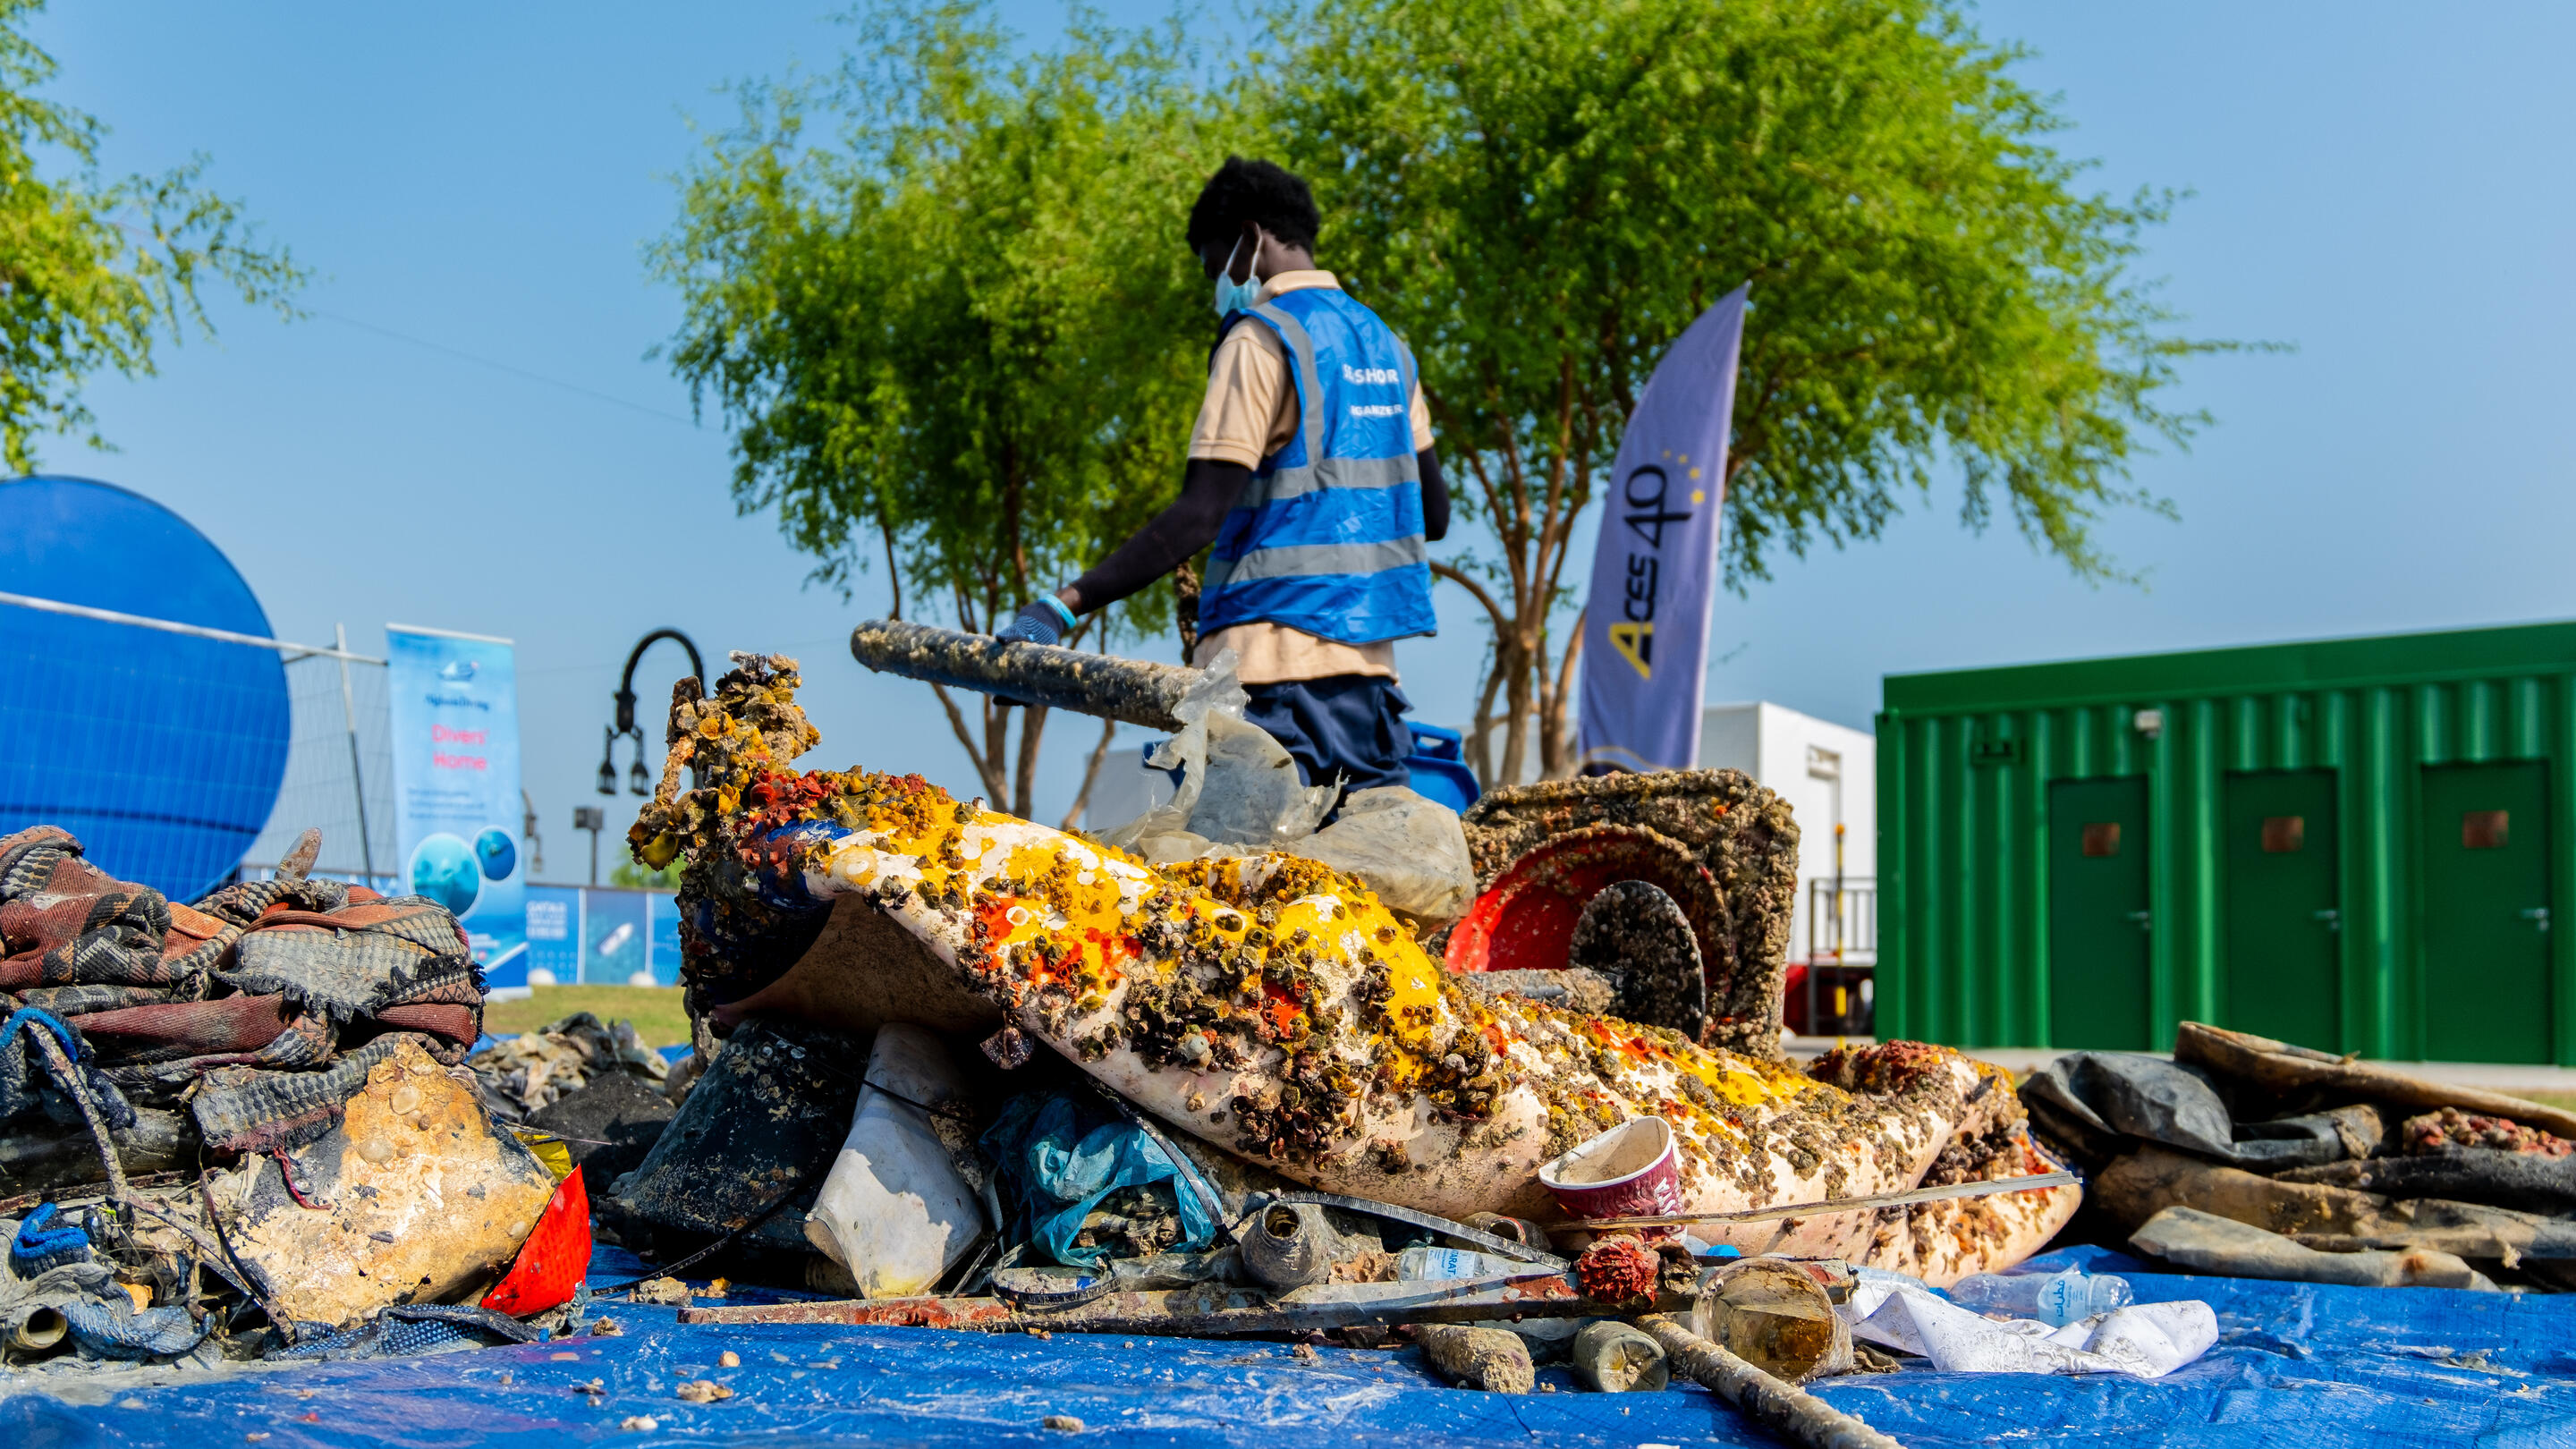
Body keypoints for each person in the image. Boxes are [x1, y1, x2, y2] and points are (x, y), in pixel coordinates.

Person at [1000, 157, 1450, 797]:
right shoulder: (1387, 348)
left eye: (1217, 266)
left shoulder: (1261, 341)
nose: (1219, 285)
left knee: (1242, 885)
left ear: (1251, 237)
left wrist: (1060, 607)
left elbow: (1200, 514)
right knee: (1353, 885)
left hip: (1269, 675)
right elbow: (1433, 515)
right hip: (1369, 684)